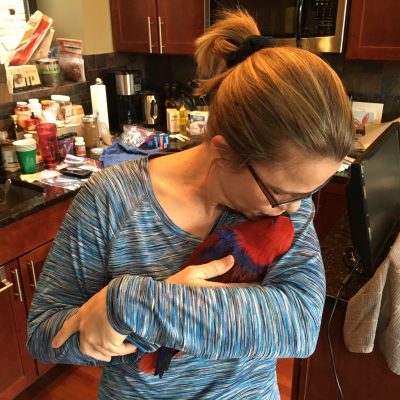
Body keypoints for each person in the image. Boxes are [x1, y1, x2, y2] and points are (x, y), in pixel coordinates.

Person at [27, 9, 354, 400]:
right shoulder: (112, 199)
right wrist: (94, 334)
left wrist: (130, 304)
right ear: (223, 152)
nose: (296, 210)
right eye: (281, 193)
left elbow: (299, 324)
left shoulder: (284, 209)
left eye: (308, 194)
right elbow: (44, 334)